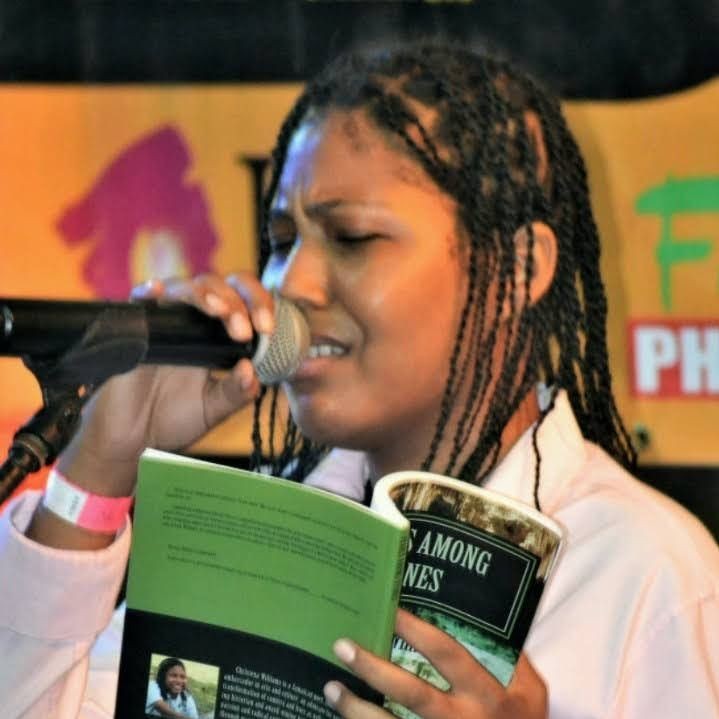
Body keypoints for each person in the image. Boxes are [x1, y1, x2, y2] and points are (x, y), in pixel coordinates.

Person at [0, 41, 717, 719]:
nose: (291, 283)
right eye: (282, 242)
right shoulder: (255, 541)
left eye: (351, 238)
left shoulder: (644, 572)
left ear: (521, 267)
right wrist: (96, 471)